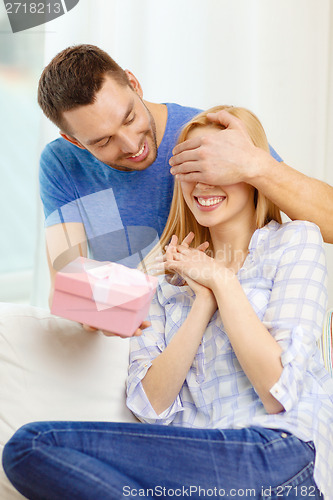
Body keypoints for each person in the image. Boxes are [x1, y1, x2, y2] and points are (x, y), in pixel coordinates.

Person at [3, 106, 333, 499]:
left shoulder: (294, 242)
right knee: (30, 447)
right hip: (202, 471)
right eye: (190, 171)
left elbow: (277, 391)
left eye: (215, 168)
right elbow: (150, 406)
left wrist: (222, 281)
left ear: (247, 171)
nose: (203, 183)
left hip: (283, 454)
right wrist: (201, 303)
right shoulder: (167, 282)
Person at [38, 44, 333, 314]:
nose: (131, 145)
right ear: (74, 142)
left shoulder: (204, 134)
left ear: (134, 84)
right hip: (143, 336)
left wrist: (255, 164)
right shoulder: (62, 164)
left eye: (129, 118)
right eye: (103, 141)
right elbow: (67, 289)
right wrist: (142, 285)